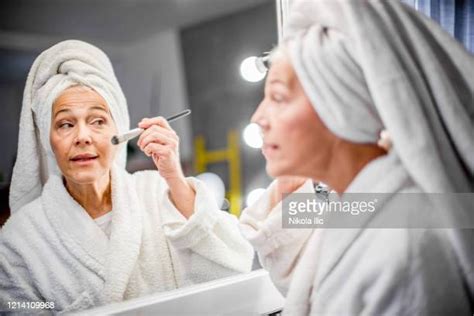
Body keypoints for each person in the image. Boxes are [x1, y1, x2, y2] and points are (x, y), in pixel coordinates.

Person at [240, 1, 474, 315]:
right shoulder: (357, 206)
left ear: (340, 106)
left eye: (278, 97)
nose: (258, 117)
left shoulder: (404, 249)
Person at [0, 40, 253, 313]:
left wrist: (175, 178)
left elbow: (233, 265)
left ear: (119, 131)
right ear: (47, 139)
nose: (83, 137)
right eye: (65, 124)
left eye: (98, 121)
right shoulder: (20, 240)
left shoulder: (158, 192)